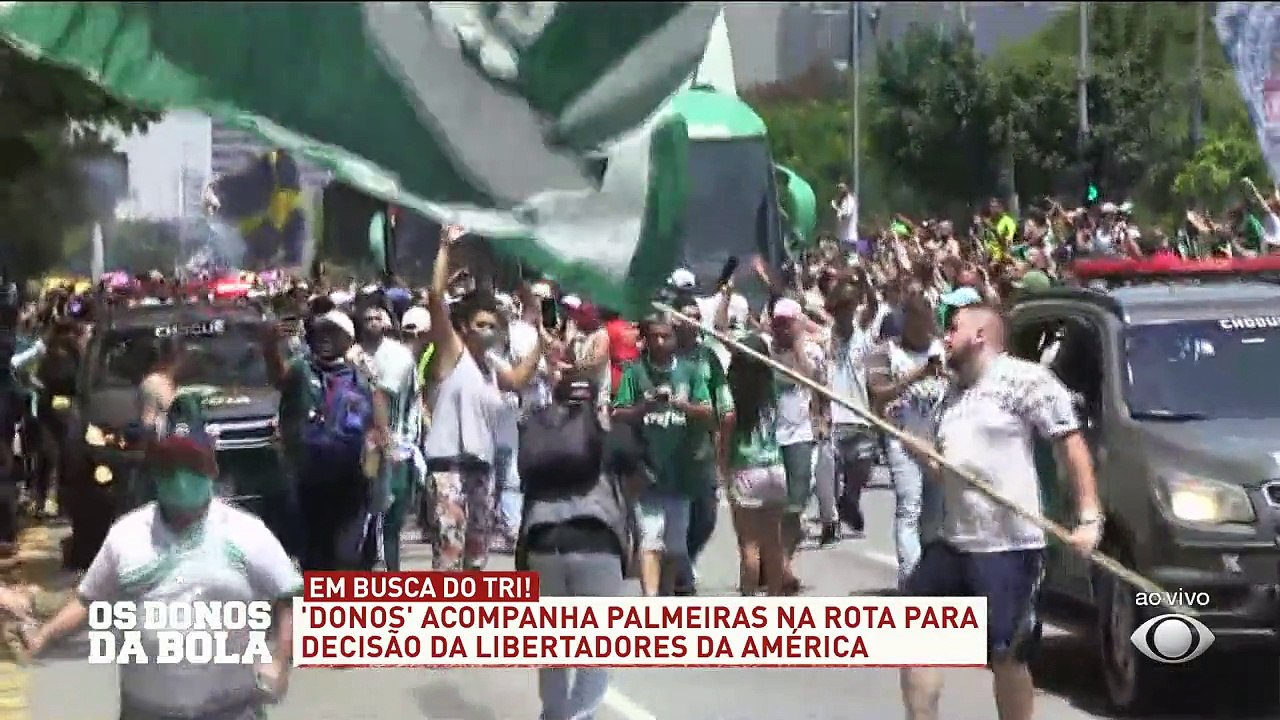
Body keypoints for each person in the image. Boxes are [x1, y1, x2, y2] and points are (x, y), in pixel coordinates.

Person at [25, 407, 301, 720]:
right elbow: (89, 600)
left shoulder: (245, 532)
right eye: (169, 466)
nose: (180, 477)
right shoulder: (126, 535)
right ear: (155, 471)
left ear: (210, 468)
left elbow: (288, 594)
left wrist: (280, 661)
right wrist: (44, 636)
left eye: (191, 465)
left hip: (231, 709)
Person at [901, 304, 1101, 720]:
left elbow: (1070, 443)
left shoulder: (1026, 380)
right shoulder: (951, 395)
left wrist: (1088, 517)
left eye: (954, 329)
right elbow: (948, 476)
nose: (945, 337)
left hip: (1010, 546)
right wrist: (921, 455)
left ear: (980, 336)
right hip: (955, 542)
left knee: (1007, 655)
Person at [423, 225, 545, 571]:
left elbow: (520, 378)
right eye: (481, 324)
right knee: (449, 556)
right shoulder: (452, 353)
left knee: (476, 558)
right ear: (464, 327)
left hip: (481, 469)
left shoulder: (491, 366)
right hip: (449, 468)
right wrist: (445, 249)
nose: (488, 331)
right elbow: (435, 298)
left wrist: (536, 324)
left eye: (494, 325)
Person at [517, 375, 634, 720]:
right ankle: (581, 716)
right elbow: (642, 476)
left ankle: (553, 713)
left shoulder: (539, 439)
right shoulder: (611, 439)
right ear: (595, 402)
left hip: (542, 543)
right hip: (597, 542)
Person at [265, 308, 380, 571]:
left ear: (348, 340)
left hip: (351, 481)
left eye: (333, 333)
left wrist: (375, 473)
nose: (325, 338)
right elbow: (278, 377)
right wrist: (270, 345)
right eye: (320, 332)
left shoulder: (360, 376)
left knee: (346, 555)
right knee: (314, 556)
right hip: (309, 479)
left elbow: (377, 426)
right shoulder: (301, 370)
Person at [611, 311, 713, 596]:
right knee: (649, 540)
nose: (659, 341)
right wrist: (642, 407)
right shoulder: (635, 372)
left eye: (665, 335)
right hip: (647, 472)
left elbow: (707, 410)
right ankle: (651, 599)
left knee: (675, 546)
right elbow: (618, 412)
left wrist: (684, 406)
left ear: (674, 338)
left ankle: (665, 597)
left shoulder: (690, 371)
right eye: (653, 336)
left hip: (681, 473)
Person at [864, 294, 947, 588]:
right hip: (902, 439)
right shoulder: (885, 352)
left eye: (928, 325)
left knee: (934, 517)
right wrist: (917, 374)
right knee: (909, 509)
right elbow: (878, 391)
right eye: (917, 325)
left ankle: (930, 576)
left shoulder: (943, 349)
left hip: (938, 444)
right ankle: (911, 582)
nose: (923, 332)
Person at [720, 333, 789, 596]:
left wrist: (723, 469)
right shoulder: (772, 388)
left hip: (746, 469)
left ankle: (749, 597)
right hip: (774, 468)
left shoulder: (731, 393)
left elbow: (725, 433)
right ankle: (774, 597)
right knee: (773, 543)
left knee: (749, 546)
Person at [356, 305, 419, 571]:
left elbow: (382, 395)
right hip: (369, 451)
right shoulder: (354, 354)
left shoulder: (397, 356)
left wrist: (389, 445)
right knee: (373, 524)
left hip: (395, 449)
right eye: (367, 317)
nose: (372, 322)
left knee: (388, 524)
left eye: (377, 317)